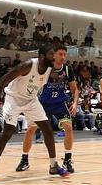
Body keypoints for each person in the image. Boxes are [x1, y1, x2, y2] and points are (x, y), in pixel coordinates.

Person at [0, 43, 70, 182]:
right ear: (42, 56)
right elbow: (1, 82)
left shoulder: (50, 69)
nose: (54, 57)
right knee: (8, 131)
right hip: (14, 99)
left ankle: (53, 165)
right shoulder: (27, 66)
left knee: (47, 129)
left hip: (31, 100)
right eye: (51, 54)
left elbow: (56, 72)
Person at [16, 44, 80, 173]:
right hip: (43, 104)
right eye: (60, 54)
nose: (63, 57)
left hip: (60, 104)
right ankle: (24, 159)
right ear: (54, 55)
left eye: (65, 54)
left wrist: (74, 103)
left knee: (68, 127)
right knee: (30, 130)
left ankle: (67, 159)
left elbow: (75, 89)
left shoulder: (67, 69)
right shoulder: (46, 68)